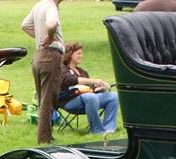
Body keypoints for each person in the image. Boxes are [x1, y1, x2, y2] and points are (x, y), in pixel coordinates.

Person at [21, 0, 65, 145]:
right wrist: (50, 37)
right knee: (48, 100)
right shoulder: (51, 6)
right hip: (50, 56)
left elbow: (25, 26)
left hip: (39, 57)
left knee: (43, 99)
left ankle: (46, 135)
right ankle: (44, 139)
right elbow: (51, 25)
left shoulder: (39, 4)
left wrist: (41, 38)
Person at [59, 42, 120, 135]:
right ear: (70, 54)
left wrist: (103, 88)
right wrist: (93, 81)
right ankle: (97, 131)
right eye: (78, 53)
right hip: (68, 101)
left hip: (89, 99)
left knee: (113, 96)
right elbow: (71, 80)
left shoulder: (82, 72)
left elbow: (91, 90)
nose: (81, 56)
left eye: (81, 53)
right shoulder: (63, 70)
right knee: (91, 97)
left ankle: (109, 129)